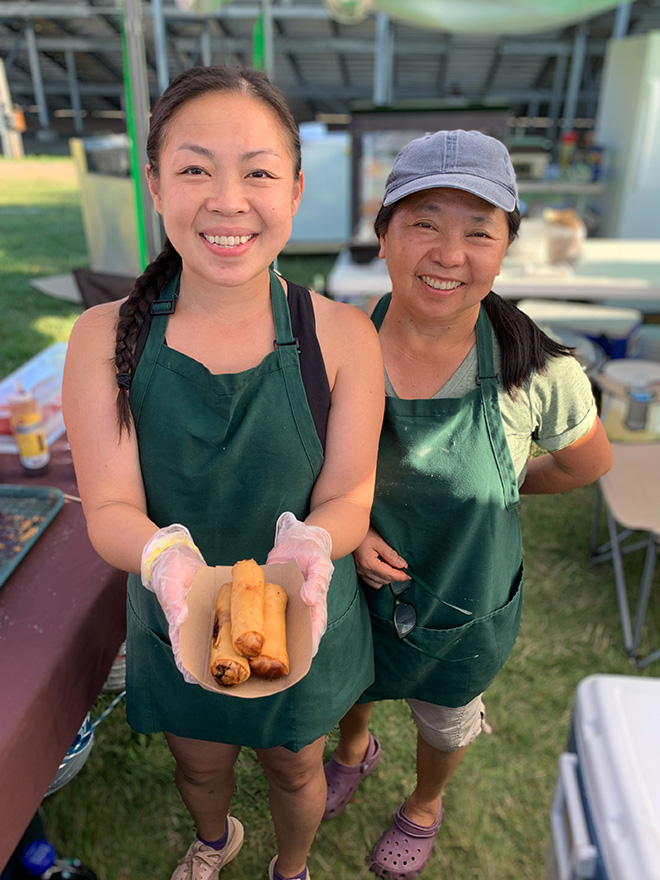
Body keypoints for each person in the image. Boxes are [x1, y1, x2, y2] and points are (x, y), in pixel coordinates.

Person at [62, 65, 384, 880]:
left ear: (297, 189)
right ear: (155, 183)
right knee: (201, 764)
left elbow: (349, 493)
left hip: (305, 607)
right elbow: (108, 506)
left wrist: (313, 541)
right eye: (196, 168)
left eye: (259, 172)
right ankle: (215, 842)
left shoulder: (344, 336)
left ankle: (293, 865)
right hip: (173, 609)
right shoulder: (102, 338)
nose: (228, 200)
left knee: (294, 766)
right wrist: (167, 560)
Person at [321, 129, 613, 878]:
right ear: (382, 234)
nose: (448, 254)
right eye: (423, 223)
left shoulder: (538, 370)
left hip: (465, 598)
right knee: (352, 677)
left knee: (446, 718)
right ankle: (354, 751)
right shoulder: (333, 347)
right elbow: (309, 466)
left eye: (477, 231)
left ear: (505, 246)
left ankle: (423, 803)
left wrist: (511, 485)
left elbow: (587, 461)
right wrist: (349, 535)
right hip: (358, 583)